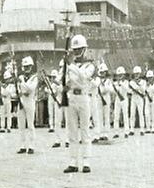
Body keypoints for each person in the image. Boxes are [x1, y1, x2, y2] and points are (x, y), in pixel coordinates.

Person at [63, 34, 95, 173]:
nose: (76, 52)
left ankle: (86, 161)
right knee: (72, 132)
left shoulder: (90, 65)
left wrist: (70, 65)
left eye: (79, 49)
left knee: (85, 131)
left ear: (84, 49)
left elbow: (83, 77)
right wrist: (64, 85)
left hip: (83, 98)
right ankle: (73, 161)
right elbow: (62, 80)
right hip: (71, 98)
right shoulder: (69, 65)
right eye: (74, 50)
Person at [16, 56, 38, 154]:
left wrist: (22, 83)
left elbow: (31, 88)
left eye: (28, 66)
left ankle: (31, 146)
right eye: (25, 67)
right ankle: (23, 145)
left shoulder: (34, 77)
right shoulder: (20, 77)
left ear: (31, 67)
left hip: (30, 101)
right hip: (22, 101)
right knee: (21, 125)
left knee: (30, 124)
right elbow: (18, 90)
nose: (26, 69)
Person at [47, 69, 67, 148]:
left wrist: (60, 85)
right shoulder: (57, 81)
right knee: (57, 122)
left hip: (68, 101)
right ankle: (57, 140)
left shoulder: (69, 77)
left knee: (68, 122)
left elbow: (67, 89)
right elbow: (54, 92)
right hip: (59, 101)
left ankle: (68, 140)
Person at [111, 67, 130, 138]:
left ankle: (126, 132)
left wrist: (121, 84)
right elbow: (112, 91)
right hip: (117, 99)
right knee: (116, 116)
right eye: (119, 75)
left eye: (121, 75)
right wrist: (115, 85)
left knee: (125, 115)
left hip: (124, 99)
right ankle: (116, 132)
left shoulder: (126, 82)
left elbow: (128, 90)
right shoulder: (115, 83)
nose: (120, 76)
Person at [96, 64, 112, 141]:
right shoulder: (97, 80)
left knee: (106, 116)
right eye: (101, 72)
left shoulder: (108, 81)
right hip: (99, 97)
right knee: (99, 116)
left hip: (106, 97)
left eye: (104, 72)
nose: (102, 74)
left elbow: (111, 89)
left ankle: (106, 134)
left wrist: (105, 86)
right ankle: (100, 133)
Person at [128, 66, 147, 136]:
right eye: (135, 74)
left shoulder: (143, 81)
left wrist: (137, 86)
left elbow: (143, 90)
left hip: (140, 97)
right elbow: (129, 91)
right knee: (132, 113)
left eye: (138, 74)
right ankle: (131, 129)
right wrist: (136, 88)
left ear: (140, 74)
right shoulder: (131, 82)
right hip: (134, 97)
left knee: (141, 113)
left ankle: (142, 129)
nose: (136, 75)